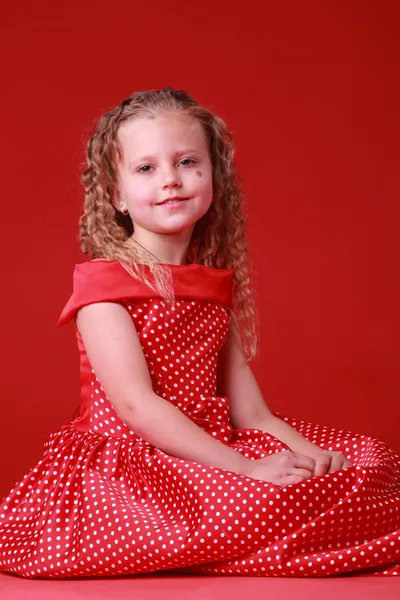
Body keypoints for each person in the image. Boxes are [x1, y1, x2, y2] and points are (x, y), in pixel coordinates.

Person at [0, 87, 399, 579]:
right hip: (132, 469)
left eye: (187, 161)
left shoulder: (208, 291)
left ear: (214, 178)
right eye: (146, 168)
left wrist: (311, 456)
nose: (170, 180)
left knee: (369, 464)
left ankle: (275, 513)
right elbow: (137, 408)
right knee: (257, 498)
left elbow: (251, 412)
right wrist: (247, 468)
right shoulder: (105, 288)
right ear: (117, 195)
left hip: (212, 446)